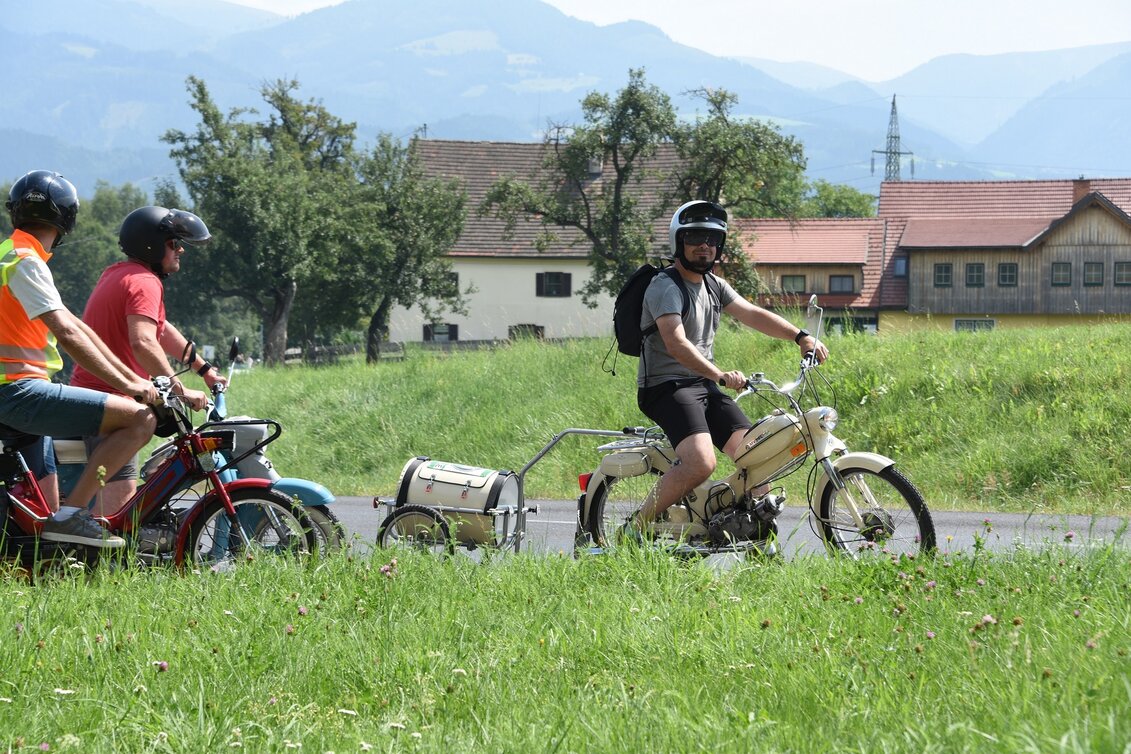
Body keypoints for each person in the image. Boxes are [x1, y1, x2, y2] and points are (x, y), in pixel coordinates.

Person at [633, 200, 829, 531]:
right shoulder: (665, 286)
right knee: (701, 463)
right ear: (679, 241)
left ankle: (758, 545)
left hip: (704, 385)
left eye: (712, 240)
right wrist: (719, 374)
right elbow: (676, 343)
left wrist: (800, 336)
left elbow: (752, 313)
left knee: (757, 457)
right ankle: (635, 528)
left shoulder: (713, 285)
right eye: (695, 238)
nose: (704, 246)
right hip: (666, 388)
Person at [0, 170, 159, 547]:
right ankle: (74, 515)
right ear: (67, 219)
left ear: (14, 213)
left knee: (41, 525)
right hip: (19, 394)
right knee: (141, 420)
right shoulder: (25, 261)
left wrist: (135, 381)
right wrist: (131, 387)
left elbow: (77, 325)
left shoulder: (14, 254)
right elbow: (68, 334)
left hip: (18, 392)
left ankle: (55, 535)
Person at [70, 205, 226, 516]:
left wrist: (205, 370)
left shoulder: (119, 273)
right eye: (173, 243)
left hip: (97, 397)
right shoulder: (144, 282)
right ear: (152, 246)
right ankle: (101, 561)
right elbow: (143, 341)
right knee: (113, 520)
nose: (180, 249)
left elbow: (161, 329)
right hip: (112, 405)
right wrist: (180, 390)